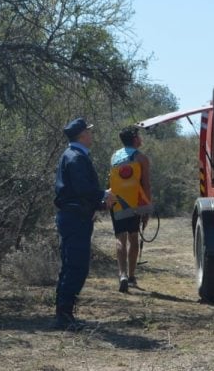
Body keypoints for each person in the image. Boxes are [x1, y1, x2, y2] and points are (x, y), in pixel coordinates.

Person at [53, 117, 117, 331]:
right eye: (89, 132)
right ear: (82, 135)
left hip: (73, 217)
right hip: (75, 218)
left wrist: (100, 203)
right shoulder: (76, 158)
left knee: (71, 264)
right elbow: (82, 190)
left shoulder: (72, 155)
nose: (91, 135)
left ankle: (64, 312)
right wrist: (103, 194)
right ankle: (64, 315)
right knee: (76, 266)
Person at [109, 126, 152, 293]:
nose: (141, 139)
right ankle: (132, 276)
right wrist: (147, 208)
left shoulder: (114, 157)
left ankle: (122, 275)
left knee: (120, 238)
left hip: (117, 202)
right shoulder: (141, 158)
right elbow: (146, 184)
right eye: (139, 136)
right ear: (135, 139)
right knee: (134, 237)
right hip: (135, 203)